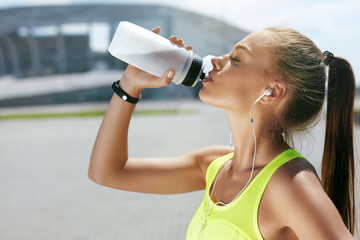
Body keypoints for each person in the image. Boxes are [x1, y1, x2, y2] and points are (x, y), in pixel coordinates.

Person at [88, 26, 357, 239]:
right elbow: (108, 172)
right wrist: (129, 86)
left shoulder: (290, 183)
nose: (216, 60)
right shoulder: (214, 166)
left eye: (236, 59)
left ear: (271, 92)